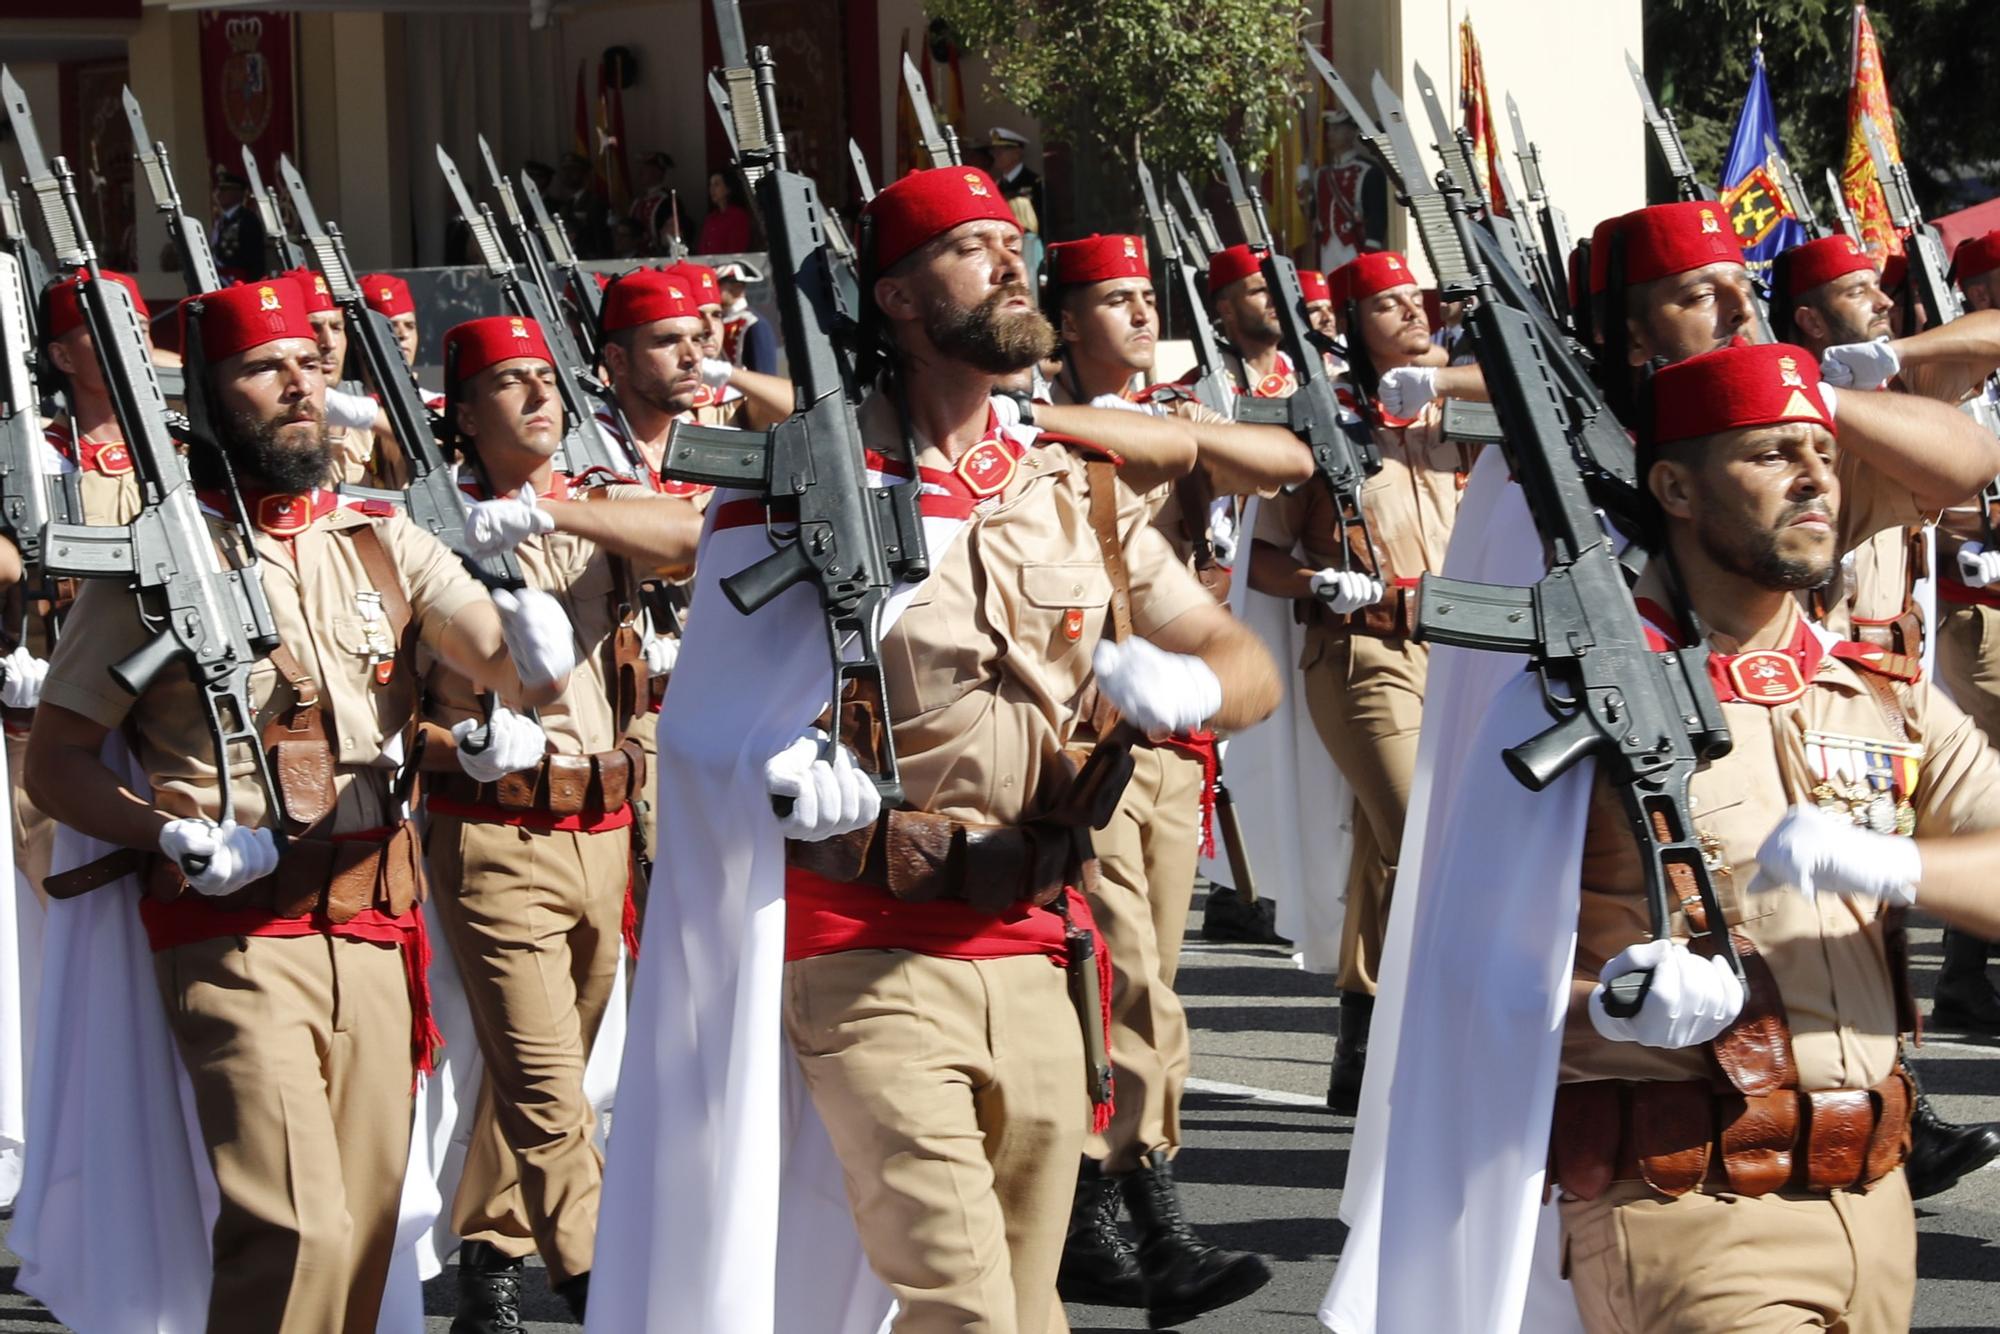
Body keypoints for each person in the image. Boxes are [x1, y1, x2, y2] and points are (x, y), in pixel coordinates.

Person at [757, 166, 1280, 1334]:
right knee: (965, 1307)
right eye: (970, 247)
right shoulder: (813, 482)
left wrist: (1190, 680)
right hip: (865, 949)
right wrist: (772, 755)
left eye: (1013, 243)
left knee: (1028, 1301)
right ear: (893, 297)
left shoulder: (1074, 492)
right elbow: (715, 711)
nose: (1009, 263)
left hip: (1037, 948)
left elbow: (1246, 664)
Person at [22, 276, 578, 1334]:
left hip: (373, 922)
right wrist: (168, 830)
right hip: (231, 927)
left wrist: (523, 676)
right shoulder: (153, 565)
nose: (299, 385)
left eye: (312, 364)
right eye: (263, 368)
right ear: (211, 397)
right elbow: (58, 761)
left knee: (368, 1233)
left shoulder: (379, 540)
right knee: (294, 1226)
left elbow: (492, 654)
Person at [1550, 340, 2000, 1332]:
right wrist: (1613, 1002)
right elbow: (1451, 960)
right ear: (1672, 484)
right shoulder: (1576, 703)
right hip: (1686, 1208)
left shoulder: (1873, 690)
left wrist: (1898, 862)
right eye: (1768, 453)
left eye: (1824, 452)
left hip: (1874, 1208)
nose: (1812, 478)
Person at [1039, 232, 1309, 1324]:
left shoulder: (1179, 410)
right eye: (1112, 301)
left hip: (1170, 741)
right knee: (1125, 979)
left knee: (1146, 971)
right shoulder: (1019, 425)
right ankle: (1145, 1210)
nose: (1140, 316)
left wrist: (1181, 433)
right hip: (1077, 738)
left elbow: (1287, 463)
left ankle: (1096, 1198)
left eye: (1147, 297)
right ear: (1064, 324)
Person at [421, 313, 703, 1330]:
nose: (540, 396)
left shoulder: (592, 505)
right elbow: (375, 713)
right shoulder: (419, 528)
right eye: (509, 382)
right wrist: (465, 744)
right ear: (462, 410)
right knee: (546, 1083)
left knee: (548, 1060)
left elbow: (693, 536)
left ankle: (490, 1256)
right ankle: (600, 1283)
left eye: (546, 376)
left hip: (605, 825)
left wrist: (563, 517)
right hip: (493, 832)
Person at [1247, 250, 1485, 1115]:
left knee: (1390, 852)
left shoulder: (1456, 407)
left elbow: (1542, 389)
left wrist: (1442, 381)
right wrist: (1316, 582)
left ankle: (1362, 1033)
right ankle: (1439, 1037)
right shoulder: (1320, 424)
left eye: (1417, 301)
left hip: (1460, 651)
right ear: (1351, 324)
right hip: (1362, 653)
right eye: (1388, 307)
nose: (1413, 315)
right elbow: (1261, 553)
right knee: (1424, 833)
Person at [1300, 106, 1387, 276]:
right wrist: (1301, 188)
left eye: (1337, 129)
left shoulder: (1367, 170)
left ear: (1351, 132)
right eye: (1330, 129)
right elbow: (1312, 213)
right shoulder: (1321, 174)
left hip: (1354, 244)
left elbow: (1378, 214)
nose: (1330, 134)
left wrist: (1371, 248)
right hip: (1327, 247)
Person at [715, 260, 777, 375]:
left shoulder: (754, 323)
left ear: (737, 287)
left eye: (718, 285)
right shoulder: (719, 321)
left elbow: (765, 375)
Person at [208, 166, 268, 285]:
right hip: (221, 279)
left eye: (225, 190)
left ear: (238, 193)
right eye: (219, 189)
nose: (219, 194)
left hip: (240, 281)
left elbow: (254, 257)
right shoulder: (221, 221)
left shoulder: (247, 219)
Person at [989, 127, 1045, 227]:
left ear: (1017, 153)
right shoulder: (995, 185)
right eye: (994, 151)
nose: (996, 155)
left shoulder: (1035, 182)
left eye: (1001, 150)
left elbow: (1044, 220)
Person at [696, 170, 754, 255]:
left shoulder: (738, 216)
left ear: (728, 189)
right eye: (710, 185)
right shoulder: (711, 218)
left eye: (716, 184)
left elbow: (736, 250)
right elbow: (702, 248)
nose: (712, 189)